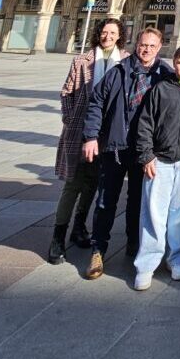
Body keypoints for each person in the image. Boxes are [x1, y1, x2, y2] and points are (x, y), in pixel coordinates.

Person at [83, 28, 173, 280]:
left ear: (160, 47)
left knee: (139, 200)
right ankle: (98, 249)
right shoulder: (119, 71)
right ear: (136, 45)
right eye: (143, 45)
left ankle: (134, 245)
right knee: (105, 200)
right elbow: (97, 103)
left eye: (152, 46)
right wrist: (91, 136)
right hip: (115, 146)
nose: (146, 50)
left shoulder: (165, 75)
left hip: (145, 150)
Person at [49, 18, 128, 265]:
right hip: (80, 131)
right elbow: (66, 93)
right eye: (104, 32)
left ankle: (79, 227)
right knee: (72, 184)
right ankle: (57, 238)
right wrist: (71, 119)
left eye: (112, 32)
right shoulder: (82, 60)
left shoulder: (125, 60)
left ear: (119, 36)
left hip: (106, 136)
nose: (107, 36)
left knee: (93, 183)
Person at [132, 44, 180, 290]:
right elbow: (145, 124)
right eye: (179, 61)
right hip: (160, 161)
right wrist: (146, 156)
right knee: (153, 214)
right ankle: (146, 265)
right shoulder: (161, 88)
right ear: (174, 62)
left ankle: (177, 259)